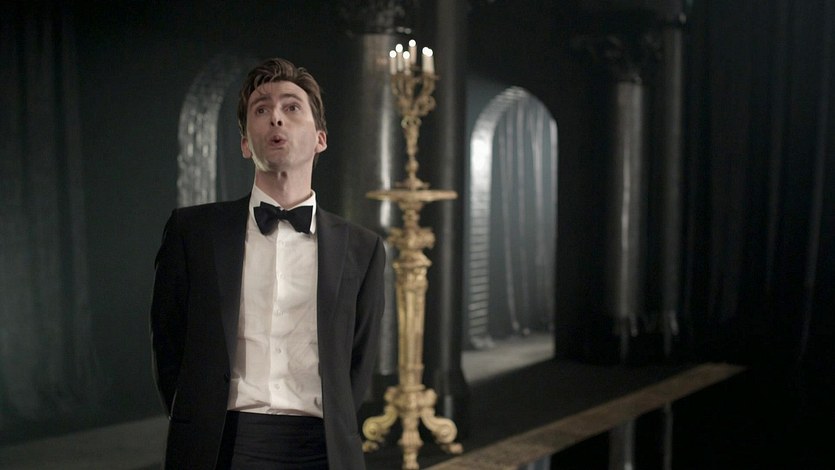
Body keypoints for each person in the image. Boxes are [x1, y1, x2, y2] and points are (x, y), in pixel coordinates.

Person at [150, 57, 386, 469]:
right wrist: (196, 419)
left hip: (323, 453)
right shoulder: (192, 232)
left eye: (291, 107)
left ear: (320, 139)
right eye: (262, 110)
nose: (276, 117)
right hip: (218, 449)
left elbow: (358, 364)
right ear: (246, 144)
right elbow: (167, 345)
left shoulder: (363, 248)